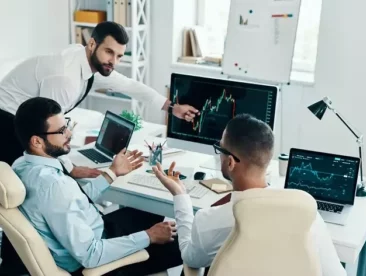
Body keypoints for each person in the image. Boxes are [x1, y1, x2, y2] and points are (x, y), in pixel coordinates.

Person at [152, 114, 347, 276]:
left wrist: (180, 195)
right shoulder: (305, 213)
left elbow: (189, 257)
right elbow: (336, 274)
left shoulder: (211, 220)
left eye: (219, 148)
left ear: (230, 163)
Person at [10, 97, 183, 276]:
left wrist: (112, 173)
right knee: (186, 244)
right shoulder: (54, 186)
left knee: (149, 210)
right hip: (96, 261)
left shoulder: (22, 165)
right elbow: (91, 255)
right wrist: (150, 235)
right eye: (61, 131)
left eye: (67, 124)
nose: (70, 134)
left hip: (95, 229)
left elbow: (72, 201)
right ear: (37, 141)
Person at [0, 20, 199, 175]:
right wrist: (70, 169)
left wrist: (173, 107)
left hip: (23, 121)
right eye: (109, 52)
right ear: (92, 44)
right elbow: (50, 131)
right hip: (6, 124)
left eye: (119, 56)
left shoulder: (87, 62)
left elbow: (129, 85)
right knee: (17, 192)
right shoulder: (65, 78)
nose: (113, 61)